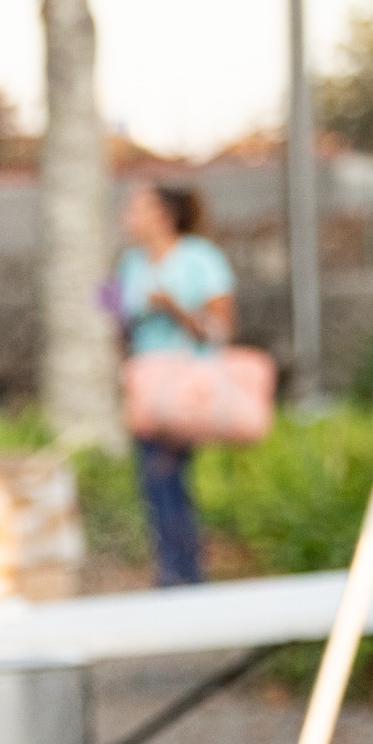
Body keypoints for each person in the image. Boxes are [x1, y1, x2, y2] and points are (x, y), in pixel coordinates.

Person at [115, 182, 237, 587]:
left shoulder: (200, 259)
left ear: (163, 216)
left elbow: (219, 328)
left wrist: (173, 308)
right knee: (153, 478)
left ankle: (183, 573)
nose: (128, 215)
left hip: (187, 386)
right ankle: (175, 569)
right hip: (148, 383)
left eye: (138, 208)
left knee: (166, 472)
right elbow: (118, 317)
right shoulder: (132, 263)